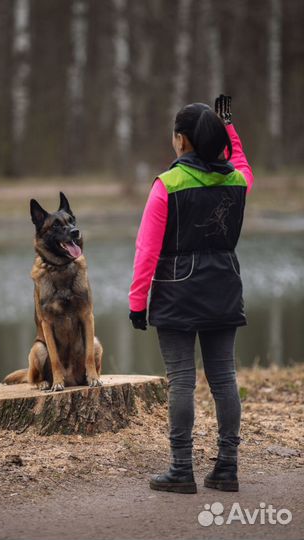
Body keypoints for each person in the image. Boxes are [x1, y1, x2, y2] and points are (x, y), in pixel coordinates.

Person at [128, 95, 253, 494]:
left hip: (177, 291)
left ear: (181, 141)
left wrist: (137, 304)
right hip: (224, 285)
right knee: (224, 378)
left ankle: (181, 470)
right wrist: (229, 127)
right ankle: (227, 468)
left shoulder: (168, 184)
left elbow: (146, 250)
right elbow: (244, 166)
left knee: (181, 380)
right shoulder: (235, 180)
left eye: (174, 135)